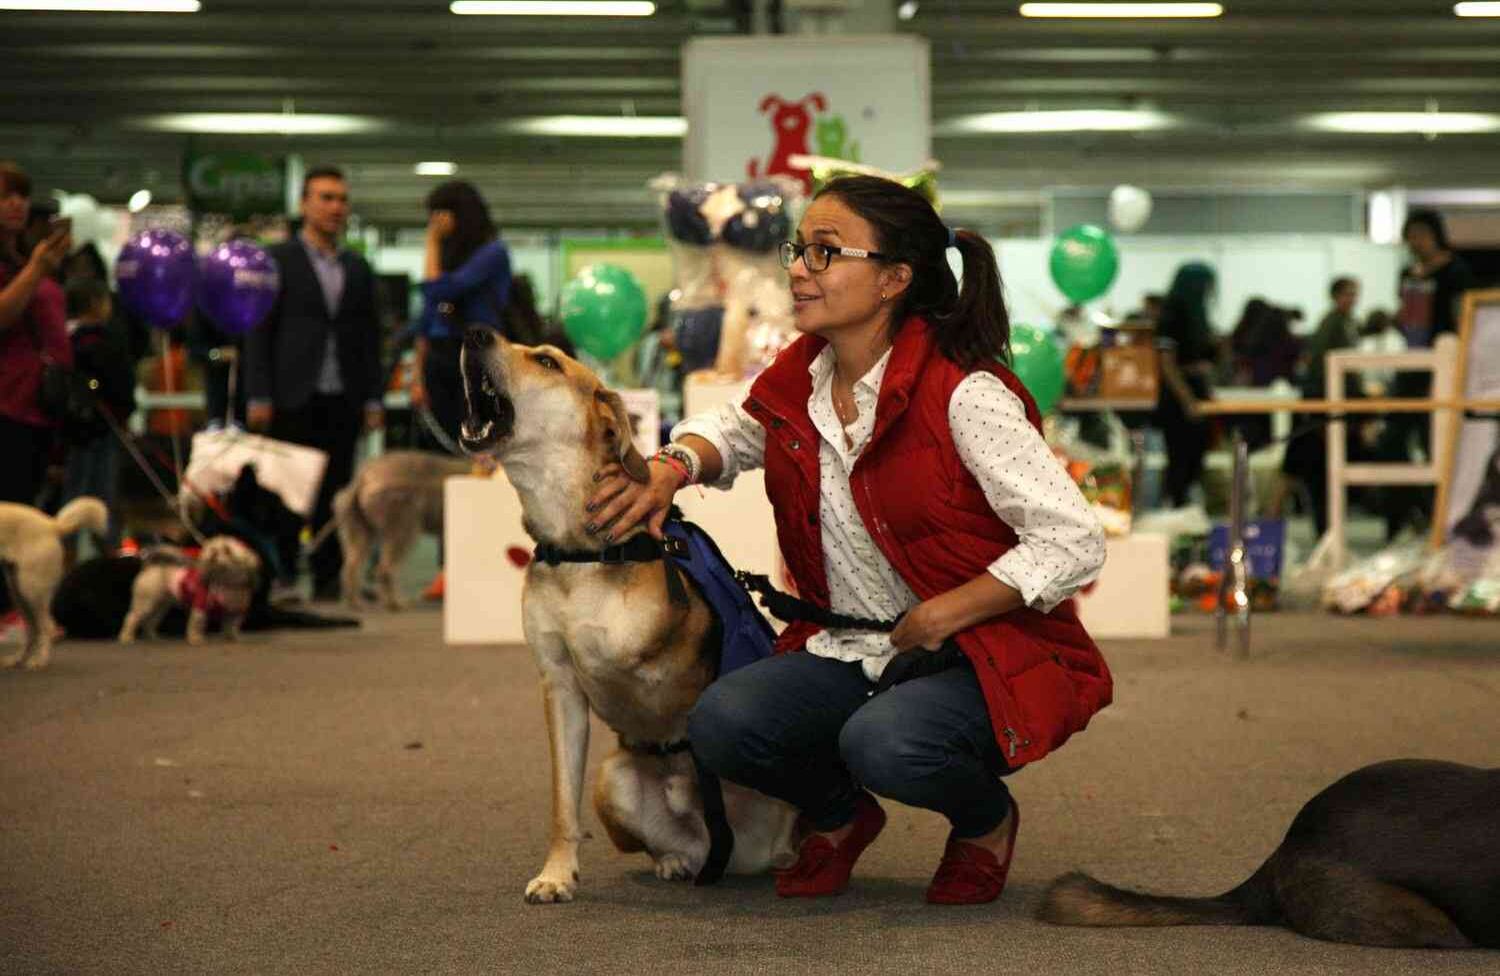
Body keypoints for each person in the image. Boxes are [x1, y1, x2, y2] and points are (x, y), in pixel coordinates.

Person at [586, 175, 1110, 905]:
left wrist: (947, 612)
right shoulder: (801, 375)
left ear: (895, 278)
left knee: (887, 743)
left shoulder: (966, 393)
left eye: (826, 253)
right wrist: (674, 467)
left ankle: (985, 821)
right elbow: (735, 428)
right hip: (851, 645)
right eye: (800, 249)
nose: (798, 268)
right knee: (722, 723)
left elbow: (1073, 539)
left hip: (979, 653)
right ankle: (840, 815)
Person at [245, 166, 385, 600]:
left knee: (336, 494)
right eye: (325, 198)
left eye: (341, 199)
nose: (335, 207)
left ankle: (328, 579)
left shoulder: (358, 267)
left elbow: (369, 337)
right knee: (288, 492)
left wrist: (375, 398)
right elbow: (258, 330)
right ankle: (284, 573)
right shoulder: (277, 260)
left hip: (343, 396)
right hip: (290, 394)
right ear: (304, 204)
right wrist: (259, 392)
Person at [1380, 209, 1476, 538]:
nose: (1415, 242)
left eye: (1420, 233)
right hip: (1411, 364)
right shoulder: (1408, 272)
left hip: (1443, 365)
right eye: (1410, 235)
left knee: (1438, 444)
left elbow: (1462, 317)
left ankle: (1440, 518)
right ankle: (1405, 514)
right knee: (1390, 442)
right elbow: (1406, 316)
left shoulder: (1456, 271)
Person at [412, 180, 512, 448]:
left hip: (476, 356)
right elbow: (426, 321)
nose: (434, 223)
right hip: (440, 357)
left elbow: (440, 290)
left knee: (475, 440)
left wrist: (431, 243)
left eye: (439, 214)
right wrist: (417, 377)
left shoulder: (493, 254)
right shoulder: (447, 257)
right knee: (439, 442)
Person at [0, 161, 72, 506]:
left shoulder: (23, 259)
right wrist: (37, 270)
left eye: (22, 196)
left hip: (40, 408)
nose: (17, 204)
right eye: (5, 197)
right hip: (6, 409)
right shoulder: (30, 265)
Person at [1279, 277, 1363, 536]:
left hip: (1326, 406)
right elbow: (1321, 369)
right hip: (1322, 409)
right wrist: (1323, 412)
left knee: (1304, 470)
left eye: (1355, 294)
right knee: (1311, 472)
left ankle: (1324, 528)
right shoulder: (1333, 324)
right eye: (1348, 294)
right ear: (1336, 295)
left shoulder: (1344, 323)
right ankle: (1320, 529)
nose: (1353, 299)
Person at [59, 276, 136, 554]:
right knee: (104, 494)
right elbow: (122, 386)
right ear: (95, 304)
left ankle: (65, 548)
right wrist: (125, 412)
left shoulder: (62, 341)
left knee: (73, 492)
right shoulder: (106, 342)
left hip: (73, 432)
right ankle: (110, 550)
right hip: (104, 429)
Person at [1152, 262, 1217, 508]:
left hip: (1196, 389)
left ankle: (1185, 506)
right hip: (1179, 394)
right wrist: (1187, 398)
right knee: (1180, 457)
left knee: (1196, 455)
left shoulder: (1198, 314)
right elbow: (1166, 364)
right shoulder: (1172, 314)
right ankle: (1177, 508)